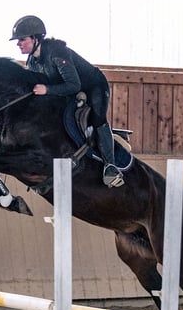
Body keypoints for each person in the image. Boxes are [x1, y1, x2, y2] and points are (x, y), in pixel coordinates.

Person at [10, 15, 124, 188]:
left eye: (22, 39)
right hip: (69, 90)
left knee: (98, 119)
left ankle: (111, 166)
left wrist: (47, 90)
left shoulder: (57, 52)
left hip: (93, 85)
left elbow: (74, 84)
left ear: (35, 38)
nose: (18, 43)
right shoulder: (32, 62)